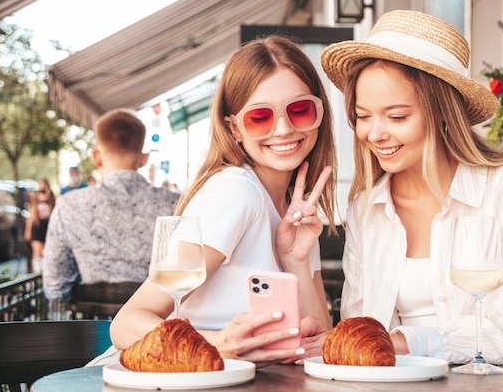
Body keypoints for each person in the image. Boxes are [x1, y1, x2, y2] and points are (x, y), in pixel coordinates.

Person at [320, 10, 503, 371]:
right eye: (362, 115)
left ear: (441, 112)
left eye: (397, 117)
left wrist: (409, 342)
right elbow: (364, 334)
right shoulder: (365, 207)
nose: (374, 134)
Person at [109, 35, 337, 367]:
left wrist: (296, 259)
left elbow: (319, 343)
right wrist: (217, 344)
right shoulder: (236, 191)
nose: (284, 129)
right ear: (233, 129)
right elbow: (127, 322)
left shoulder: (296, 211)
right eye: (260, 117)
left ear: (319, 112)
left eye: (299, 109)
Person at [42, 109, 180, 303]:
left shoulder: (68, 205)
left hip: (92, 327)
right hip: (158, 326)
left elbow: (55, 287)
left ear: (96, 157)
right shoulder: (176, 203)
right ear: (144, 159)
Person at [23, 178, 55, 273]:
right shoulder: (35, 199)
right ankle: (38, 272)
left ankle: (47, 272)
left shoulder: (52, 198)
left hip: (48, 227)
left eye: (43, 184)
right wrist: (27, 231)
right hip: (37, 227)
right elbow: (31, 217)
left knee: (47, 252)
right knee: (37, 252)